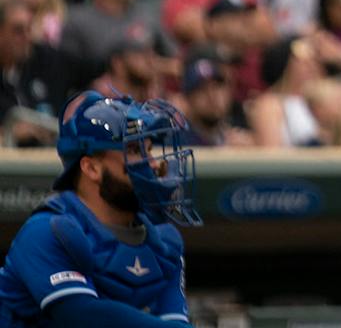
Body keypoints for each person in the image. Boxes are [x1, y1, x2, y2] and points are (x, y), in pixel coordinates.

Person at [0, 91, 198, 327]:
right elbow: (84, 317)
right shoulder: (48, 231)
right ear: (91, 168)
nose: (154, 164)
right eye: (135, 151)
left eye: (150, 150)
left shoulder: (164, 245)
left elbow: (174, 319)